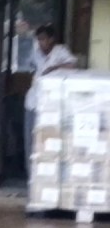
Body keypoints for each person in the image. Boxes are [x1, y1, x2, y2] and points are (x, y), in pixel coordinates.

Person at [24, 24, 77, 166]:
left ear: (51, 39)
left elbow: (72, 65)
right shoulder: (35, 52)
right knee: (31, 141)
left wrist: (54, 67)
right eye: (39, 40)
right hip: (33, 102)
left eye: (43, 39)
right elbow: (30, 67)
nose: (41, 43)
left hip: (53, 106)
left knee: (49, 141)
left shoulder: (60, 51)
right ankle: (31, 177)